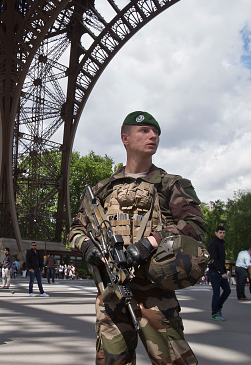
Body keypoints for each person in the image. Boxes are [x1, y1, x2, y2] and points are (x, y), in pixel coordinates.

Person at [70, 111, 207, 364]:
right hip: (111, 292)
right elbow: (76, 229)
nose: (153, 136)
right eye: (144, 131)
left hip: (156, 291)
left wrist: (151, 242)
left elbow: (194, 226)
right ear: (125, 138)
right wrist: (86, 245)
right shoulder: (102, 190)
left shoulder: (171, 184)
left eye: (156, 133)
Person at [207, 226, 231, 320]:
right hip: (214, 272)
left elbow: (221, 261)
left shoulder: (221, 244)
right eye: (220, 232)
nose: (222, 234)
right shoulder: (213, 244)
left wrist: (224, 272)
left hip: (220, 271)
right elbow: (214, 260)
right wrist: (222, 272)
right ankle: (214, 313)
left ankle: (218, 307)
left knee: (227, 290)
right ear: (216, 233)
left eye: (224, 233)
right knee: (216, 293)